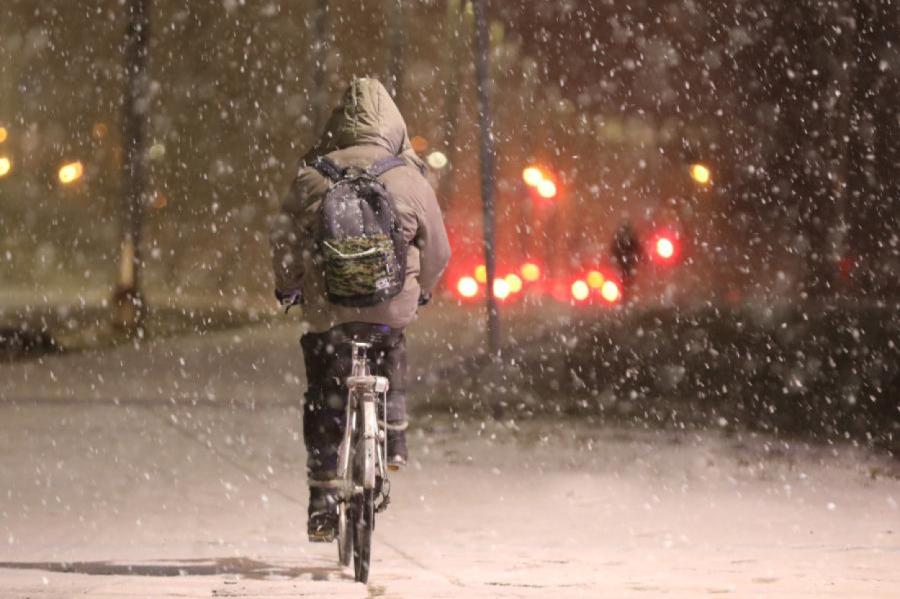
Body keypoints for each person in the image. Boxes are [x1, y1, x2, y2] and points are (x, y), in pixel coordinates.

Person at [269, 78, 451, 540]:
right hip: (389, 308)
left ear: (337, 125)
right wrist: (422, 290)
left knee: (323, 393)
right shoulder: (410, 177)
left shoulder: (311, 175)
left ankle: (323, 496)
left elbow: (285, 242)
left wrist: (291, 289)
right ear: (393, 126)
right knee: (391, 341)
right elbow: (439, 252)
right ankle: (393, 431)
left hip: (329, 311)